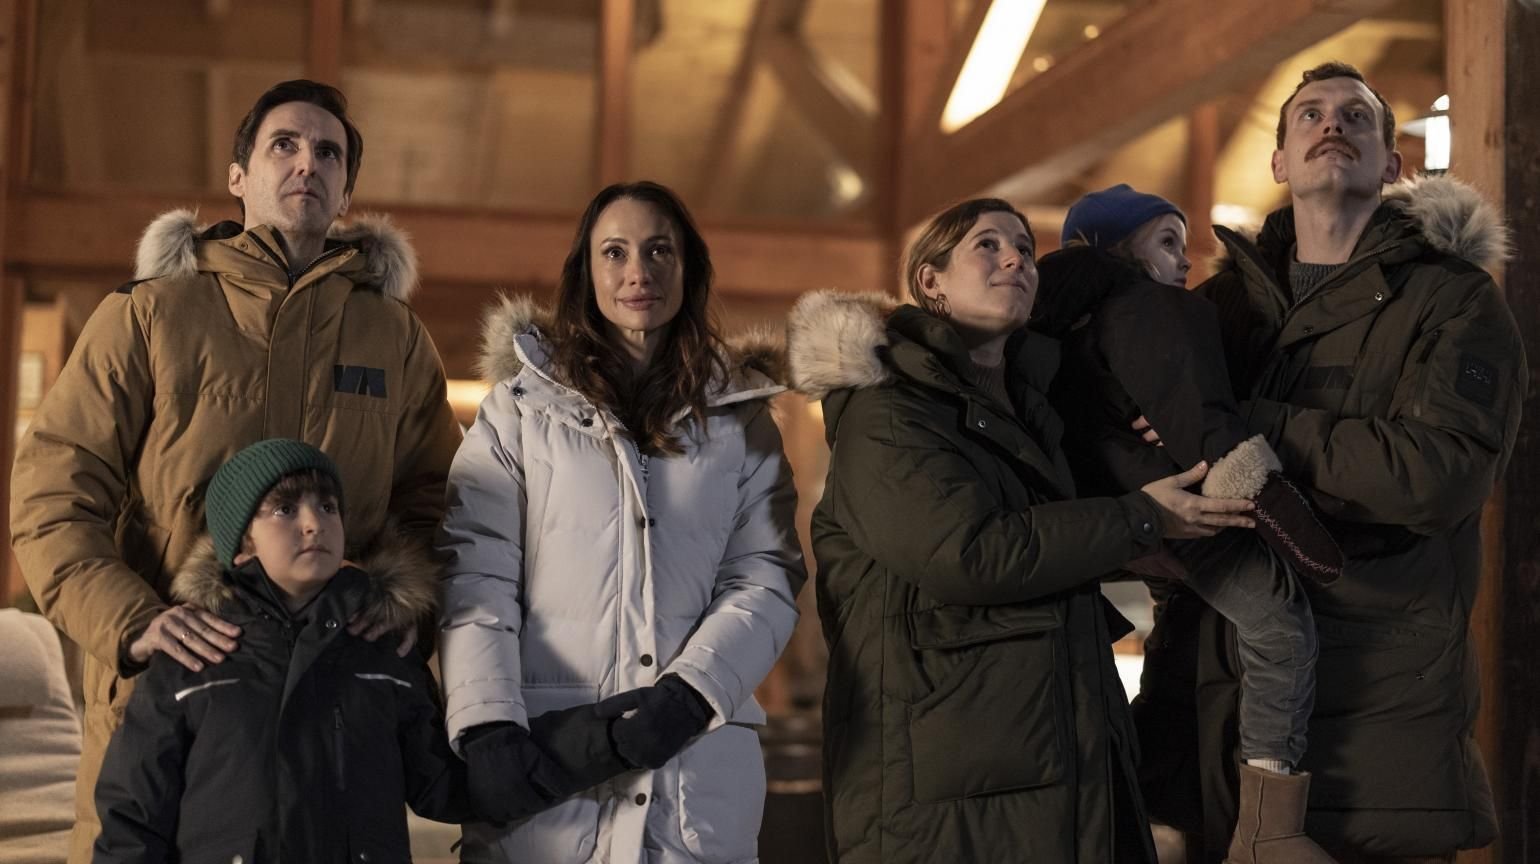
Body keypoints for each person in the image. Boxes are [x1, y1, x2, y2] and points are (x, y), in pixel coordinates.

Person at [9, 79, 462, 863]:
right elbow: (53, 492)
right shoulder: (150, 314)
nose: (307, 163)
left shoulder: (393, 336)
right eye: (284, 144)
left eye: (329, 153)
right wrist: (131, 620)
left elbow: (439, 503)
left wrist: (406, 605)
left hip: (337, 723)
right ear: (238, 176)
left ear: (347, 191)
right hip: (166, 703)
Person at [788, 197, 1256, 864]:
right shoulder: (889, 411)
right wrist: (1143, 516)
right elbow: (969, 552)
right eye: (987, 244)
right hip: (952, 786)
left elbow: (1051, 540)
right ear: (930, 281)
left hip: (1045, 760)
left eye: (1026, 249)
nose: (1016, 258)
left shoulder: (1031, 410)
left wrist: (1158, 438)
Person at [1148, 62, 1524, 864]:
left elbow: (1439, 475)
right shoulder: (1217, 311)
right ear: (1279, 161)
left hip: (1372, 721)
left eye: (1356, 117)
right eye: (1310, 115)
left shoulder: (1452, 301)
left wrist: (1248, 427)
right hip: (1203, 713)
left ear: (1391, 164)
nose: (1332, 125)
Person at [437, 180, 805, 863]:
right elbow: (476, 575)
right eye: (615, 252)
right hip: (552, 759)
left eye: (659, 250)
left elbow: (766, 574)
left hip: (694, 774)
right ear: (587, 272)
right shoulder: (517, 414)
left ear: (688, 269)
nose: (639, 271)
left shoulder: (741, 422)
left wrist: (692, 695)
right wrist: (487, 727)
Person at [91, 440, 635, 864]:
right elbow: (132, 817)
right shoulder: (192, 657)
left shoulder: (384, 651)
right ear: (242, 543)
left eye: (328, 506)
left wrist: (607, 737)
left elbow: (455, 784)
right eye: (284, 509)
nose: (314, 523)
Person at [1033, 185, 1340, 862]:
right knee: (1280, 623)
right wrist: (1262, 491)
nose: (1185, 260)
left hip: (1124, 522)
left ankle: (1158, 802)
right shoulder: (1150, 311)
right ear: (1115, 247)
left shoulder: (1061, 336)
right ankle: (1269, 824)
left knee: (1176, 639)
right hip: (1189, 508)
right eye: (1167, 242)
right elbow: (1199, 415)